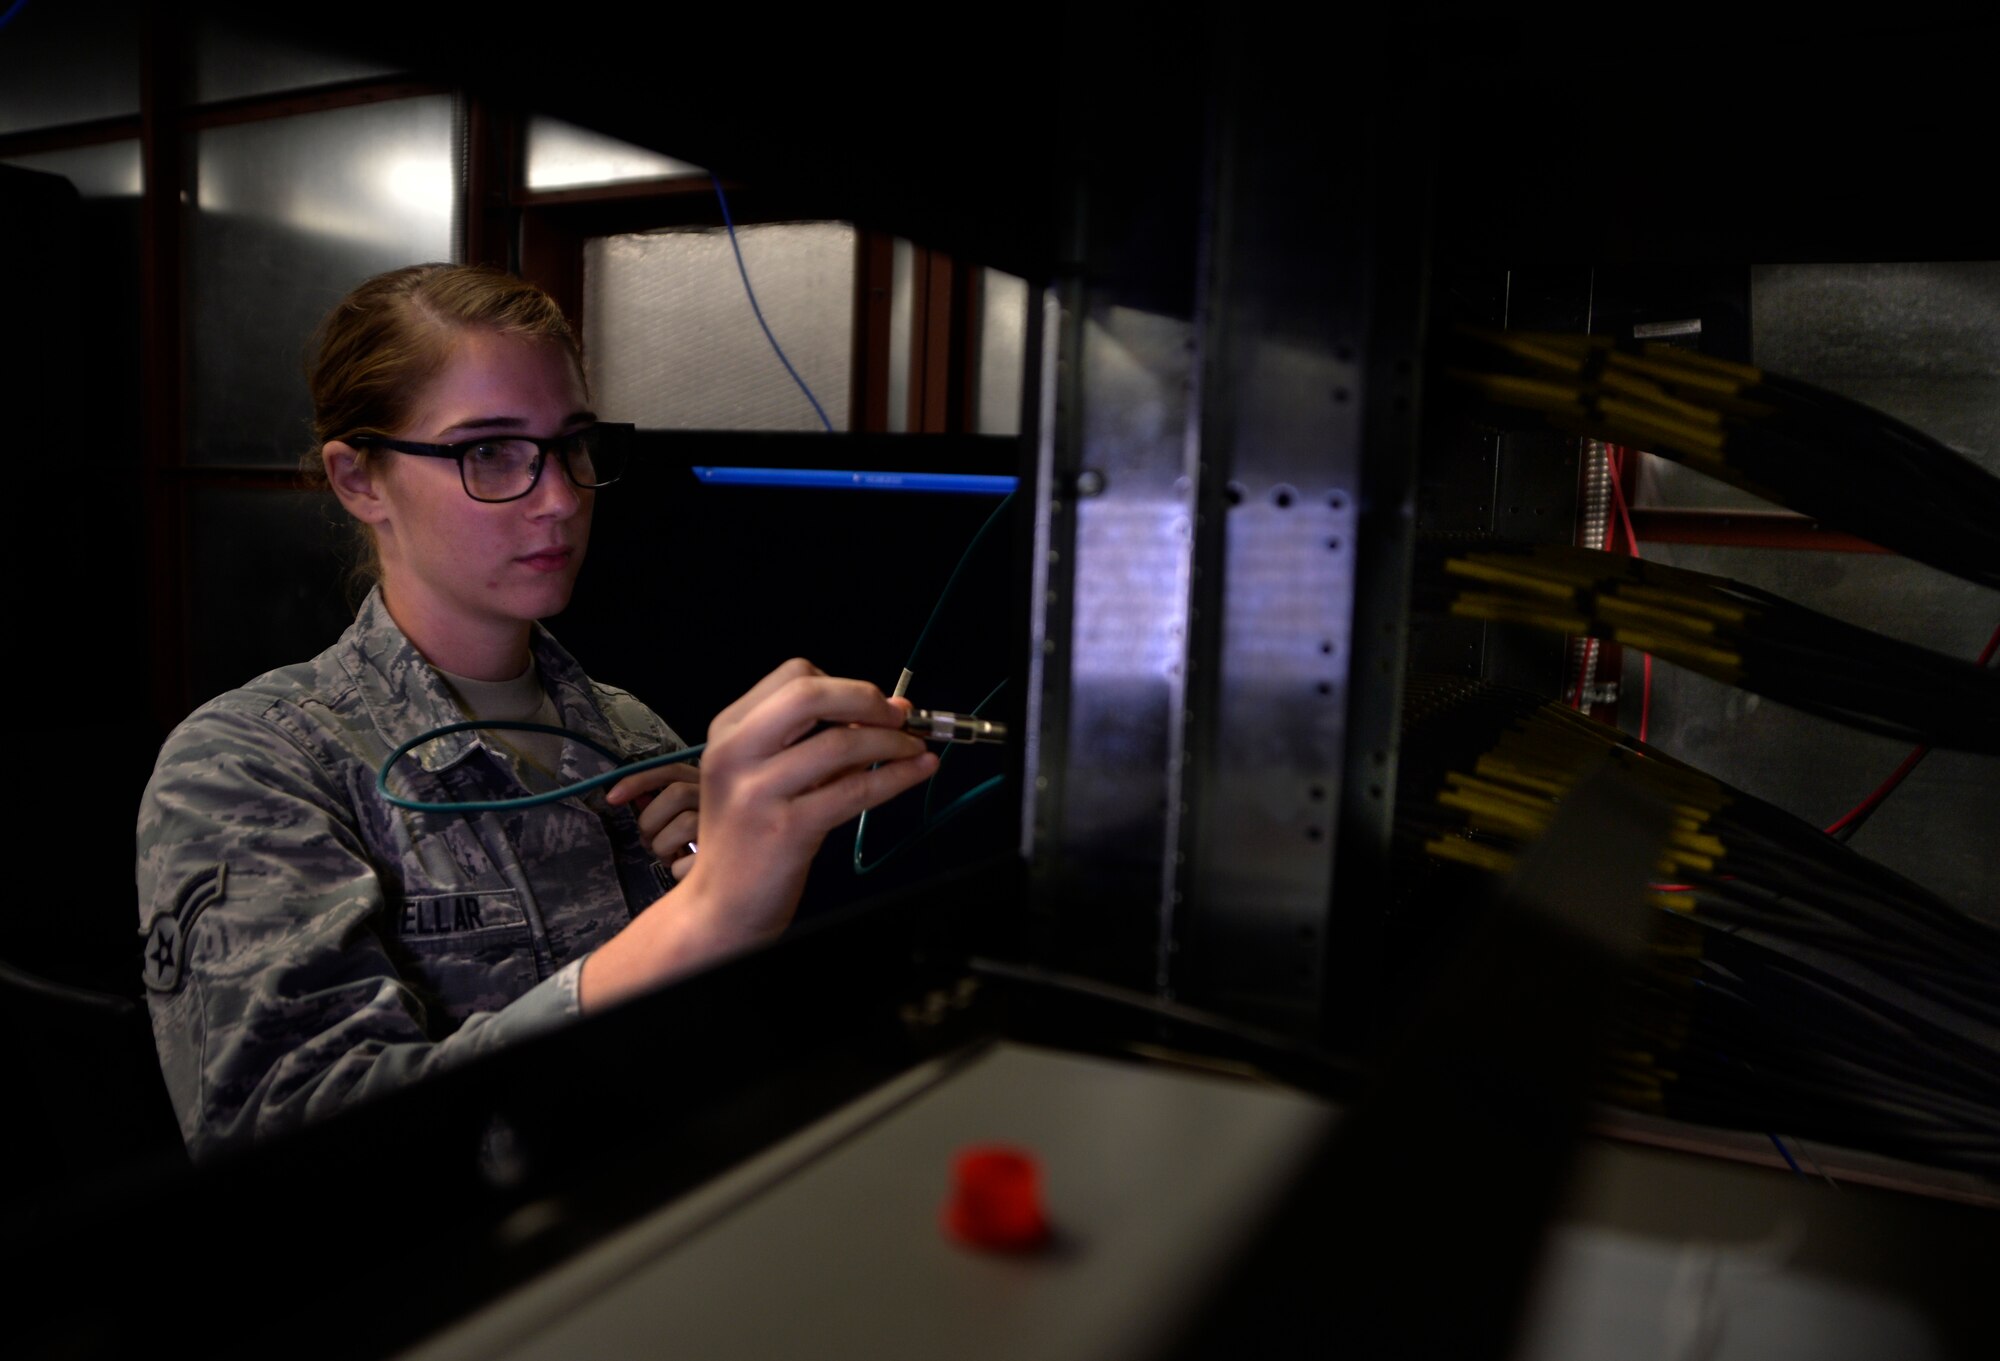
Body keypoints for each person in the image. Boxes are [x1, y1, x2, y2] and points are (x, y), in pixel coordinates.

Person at [136, 263, 938, 1161]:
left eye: (573, 445)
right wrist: (697, 922)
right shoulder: (251, 765)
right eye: (489, 451)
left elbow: (707, 1076)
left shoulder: (631, 740)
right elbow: (295, 1162)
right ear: (360, 479)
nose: (558, 497)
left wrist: (740, 904)